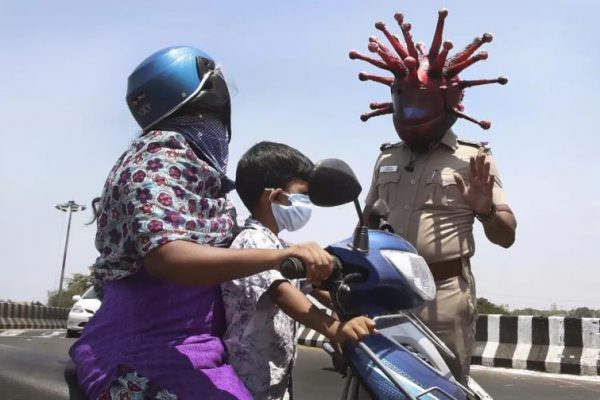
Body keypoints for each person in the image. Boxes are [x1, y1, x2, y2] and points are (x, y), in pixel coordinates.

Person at [69, 46, 334, 400]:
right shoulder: (157, 158)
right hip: (142, 351)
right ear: (208, 101)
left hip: (197, 350)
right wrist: (278, 256)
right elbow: (168, 257)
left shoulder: (191, 168)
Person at [352, 10, 518, 384]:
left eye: (420, 107)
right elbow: (367, 222)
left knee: (444, 385)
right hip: (386, 291)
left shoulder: (473, 158)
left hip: (444, 296)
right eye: (404, 105)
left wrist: (486, 209)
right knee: (382, 383)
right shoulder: (387, 156)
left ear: (448, 103)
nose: (410, 116)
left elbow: (506, 236)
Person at [222, 141, 378, 400]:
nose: (308, 204)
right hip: (248, 381)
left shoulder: (280, 246)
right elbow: (283, 294)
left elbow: (315, 287)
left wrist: (353, 306)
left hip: (274, 377)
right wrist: (333, 329)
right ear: (273, 196)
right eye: (302, 194)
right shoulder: (253, 243)